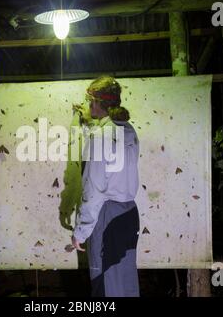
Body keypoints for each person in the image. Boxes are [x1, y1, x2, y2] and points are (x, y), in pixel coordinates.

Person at [71, 76, 140, 297]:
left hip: (107, 216)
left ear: (97, 103)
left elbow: (93, 192)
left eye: (90, 100)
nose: (88, 105)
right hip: (128, 214)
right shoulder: (129, 131)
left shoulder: (100, 138)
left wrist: (80, 232)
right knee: (124, 283)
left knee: (105, 285)